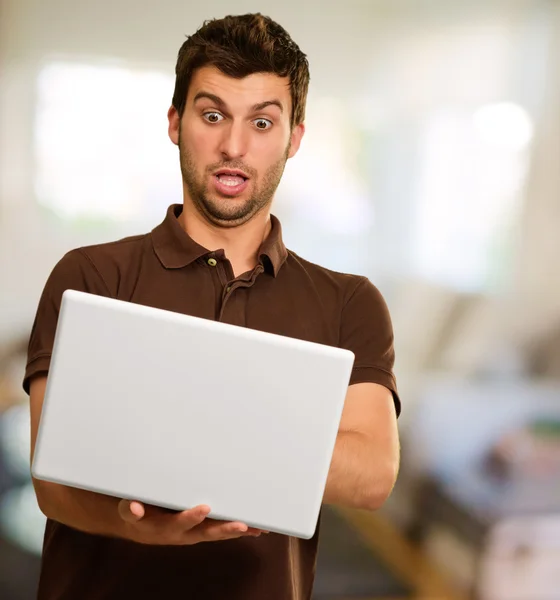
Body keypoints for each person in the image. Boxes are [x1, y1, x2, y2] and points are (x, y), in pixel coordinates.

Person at [24, 12, 401, 600]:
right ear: (176, 123)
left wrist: (181, 437)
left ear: (294, 137)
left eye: (262, 121)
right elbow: (51, 482)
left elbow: (372, 474)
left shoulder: (349, 303)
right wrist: (137, 527)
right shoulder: (92, 276)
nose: (233, 145)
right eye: (213, 114)